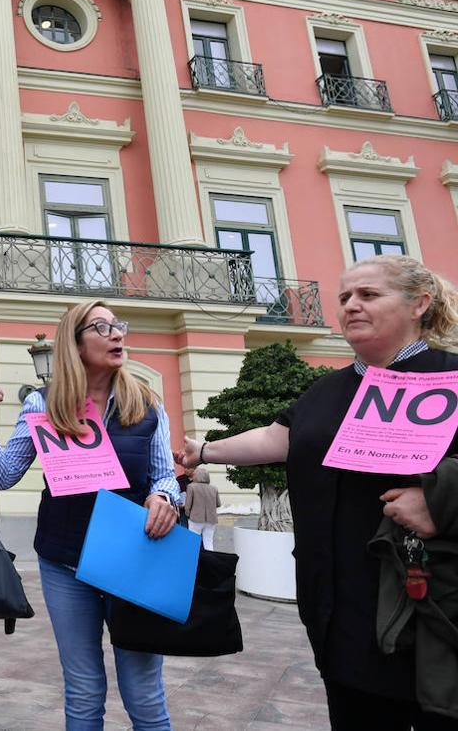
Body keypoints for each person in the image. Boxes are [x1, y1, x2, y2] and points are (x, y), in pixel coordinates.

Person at [175, 254, 458, 731]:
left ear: (419, 305)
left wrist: (441, 499)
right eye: (344, 296)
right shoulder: (327, 389)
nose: (351, 305)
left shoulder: (451, 375)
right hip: (337, 610)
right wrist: (202, 451)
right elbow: (275, 438)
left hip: (430, 613)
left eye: (369, 295)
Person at [0, 300, 182, 731]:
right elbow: (6, 475)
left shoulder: (146, 403)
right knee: (84, 690)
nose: (117, 334)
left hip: (132, 560)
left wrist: (164, 497)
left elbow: (165, 476)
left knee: (144, 692)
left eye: (118, 326)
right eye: (102, 328)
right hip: (65, 563)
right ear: (75, 341)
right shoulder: (41, 405)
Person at [183, 467, 220, 550]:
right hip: (211, 519)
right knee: (209, 543)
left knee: (193, 543)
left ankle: (193, 561)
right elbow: (218, 504)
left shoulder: (191, 487)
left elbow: (188, 506)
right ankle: (210, 562)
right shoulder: (214, 488)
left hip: (195, 519)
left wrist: (188, 515)